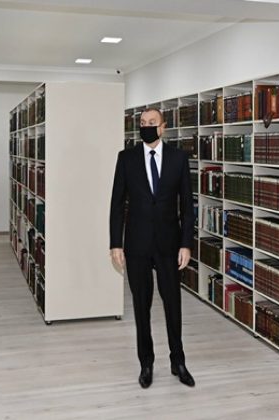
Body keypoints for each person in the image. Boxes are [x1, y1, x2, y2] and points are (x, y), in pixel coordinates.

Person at [109, 108, 195, 389]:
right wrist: (116, 243)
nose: (146, 127)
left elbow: (187, 206)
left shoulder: (179, 158)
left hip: (170, 244)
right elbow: (117, 204)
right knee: (141, 306)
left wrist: (186, 244)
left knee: (173, 304)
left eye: (151, 123)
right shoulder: (127, 158)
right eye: (142, 123)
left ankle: (178, 361)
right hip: (137, 245)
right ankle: (146, 363)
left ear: (163, 127)